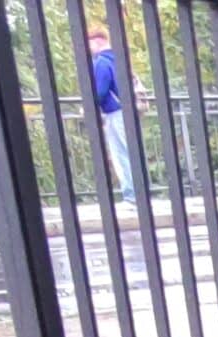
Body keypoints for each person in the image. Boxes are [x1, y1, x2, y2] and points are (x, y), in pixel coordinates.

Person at [86, 25, 135, 205]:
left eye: (89, 42)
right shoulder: (118, 59)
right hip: (128, 111)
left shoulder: (101, 62)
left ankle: (131, 196)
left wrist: (89, 108)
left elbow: (99, 91)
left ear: (98, 41)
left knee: (120, 153)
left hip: (115, 112)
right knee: (130, 152)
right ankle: (138, 194)